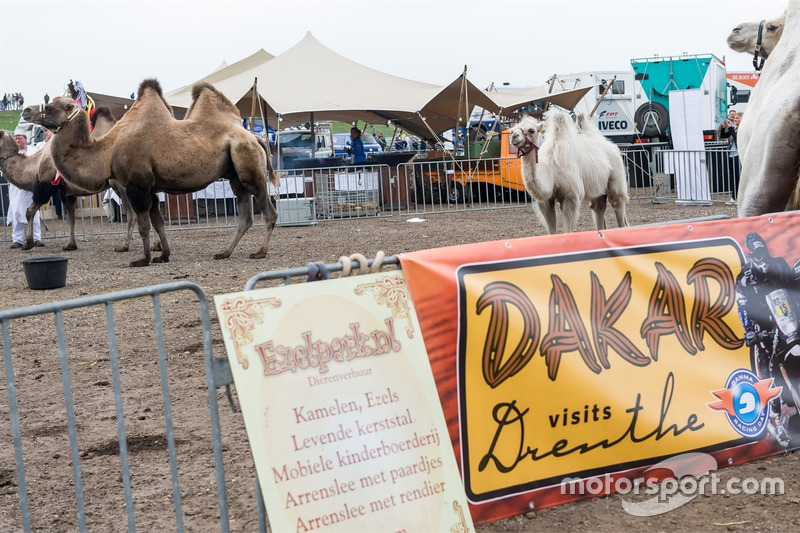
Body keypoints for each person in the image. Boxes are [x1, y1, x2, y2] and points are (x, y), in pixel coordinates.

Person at [735, 232, 800, 447]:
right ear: (751, 254)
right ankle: (777, 417)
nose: (762, 258)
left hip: (787, 321)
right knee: (768, 371)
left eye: (763, 252)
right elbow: (743, 306)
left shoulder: (779, 265)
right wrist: (749, 330)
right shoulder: (744, 277)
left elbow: (795, 289)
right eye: (757, 254)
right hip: (763, 329)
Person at [7, 129, 43, 248]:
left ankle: (37, 238)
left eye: (20, 138)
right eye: (16, 138)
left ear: (25, 139)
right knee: (16, 212)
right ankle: (17, 239)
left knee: (34, 212)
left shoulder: (33, 151)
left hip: (30, 186)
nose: (17, 140)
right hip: (16, 188)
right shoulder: (11, 153)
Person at [719, 110, 741, 201]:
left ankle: (737, 196)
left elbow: (736, 137)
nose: (734, 119)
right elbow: (723, 135)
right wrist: (723, 127)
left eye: (736, 118)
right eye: (733, 117)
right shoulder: (732, 128)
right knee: (733, 176)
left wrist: (732, 127)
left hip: (738, 154)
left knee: (738, 176)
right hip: (731, 154)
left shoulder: (739, 128)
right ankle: (734, 196)